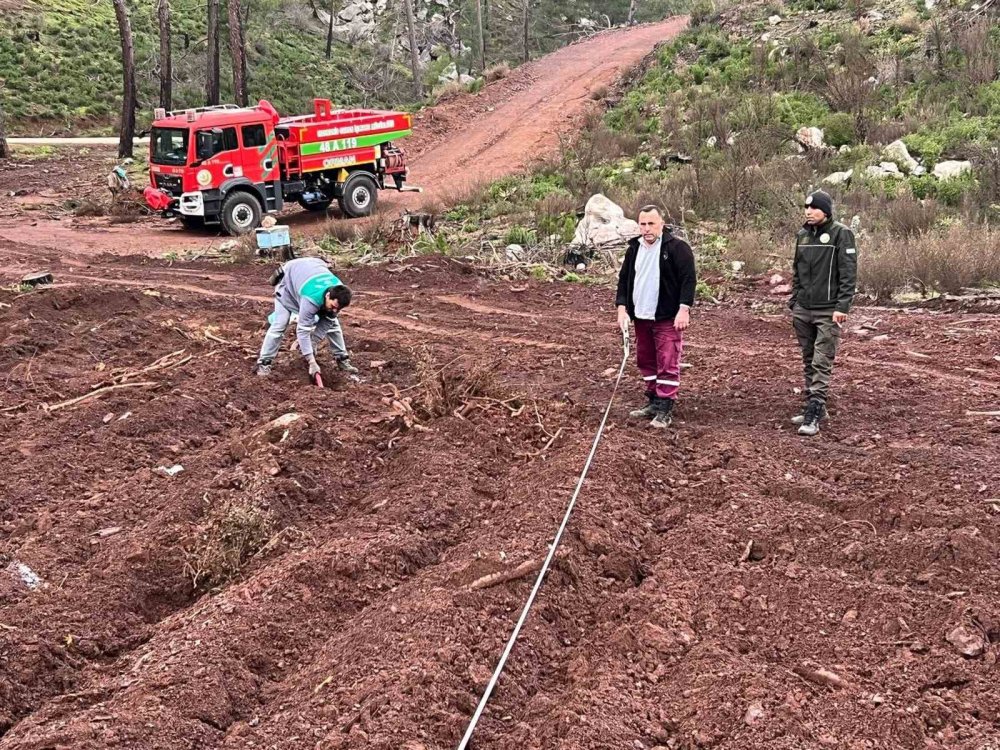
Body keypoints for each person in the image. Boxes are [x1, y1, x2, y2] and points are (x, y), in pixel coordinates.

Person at [615, 205, 696, 429]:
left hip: (666, 316)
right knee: (645, 359)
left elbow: (689, 280)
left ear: (661, 223)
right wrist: (622, 307)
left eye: (651, 223)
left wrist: (684, 309)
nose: (647, 229)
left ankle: (665, 406)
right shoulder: (634, 249)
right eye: (643, 224)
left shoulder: (678, 248)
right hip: (641, 315)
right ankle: (653, 399)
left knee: (668, 361)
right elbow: (624, 280)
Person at [788, 190, 858, 437]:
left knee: (822, 361)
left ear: (826, 210)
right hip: (803, 309)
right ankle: (814, 404)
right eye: (806, 207)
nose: (808, 211)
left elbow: (848, 274)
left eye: (814, 208)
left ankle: (814, 413)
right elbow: (796, 271)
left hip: (828, 310)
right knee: (808, 359)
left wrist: (842, 307)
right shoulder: (803, 236)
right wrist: (794, 301)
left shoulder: (841, 234)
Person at [255, 256, 359, 378]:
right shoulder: (310, 299)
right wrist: (311, 361)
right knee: (280, 323)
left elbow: (327, 322)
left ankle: (342, 359)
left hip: (311, 269)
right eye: (333, 306)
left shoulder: (340, 293)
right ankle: (264, 362)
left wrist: (313, 341)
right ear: (328, 295)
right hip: (288, 284)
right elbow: (302, 331)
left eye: (338, 308)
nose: (335, 310)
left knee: (333, 324)